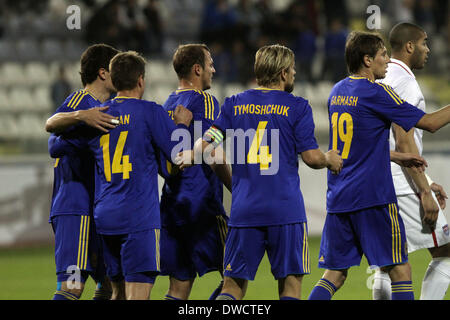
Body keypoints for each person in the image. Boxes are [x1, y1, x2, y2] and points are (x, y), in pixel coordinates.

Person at [193, 44, 343, 300]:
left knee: (232, 289)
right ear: (284, 73)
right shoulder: (297, 107)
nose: (295, 73)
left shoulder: (234, 105)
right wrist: (328, 159)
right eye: (293, 68)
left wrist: (233, 180)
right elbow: (311, 158)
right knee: (290, 288)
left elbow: (204, 147)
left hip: (244, 211)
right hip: (285, 211)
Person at [308, 31, 450, 300]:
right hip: (373, 197)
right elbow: (429, 124)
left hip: (339, 197)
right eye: (383, 55)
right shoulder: (377, 92)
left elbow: (356, 147)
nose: (387, 60)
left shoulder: (337, 92)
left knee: (335, 275)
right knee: (400, 269)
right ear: (367, 60)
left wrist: (398, 157)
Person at [49, 51, 193, 300]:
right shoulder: (146, 111)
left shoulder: (100, 115)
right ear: (141, 80)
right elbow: (180, 157)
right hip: (129, 217)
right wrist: (182, 126)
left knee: (112, 290)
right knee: (77, 287)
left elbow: (56, 146)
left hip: (105, 217)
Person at [372, 22, 449, 300]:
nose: (428, 50)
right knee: (446, 254)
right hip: (402, 182)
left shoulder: (383, 75)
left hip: (379, 179)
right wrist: (424, 191)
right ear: (409, 46)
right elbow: (403, 140)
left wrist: (427, 182)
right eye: (424, 44)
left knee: (388, 261)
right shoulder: (403, 80)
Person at [45, 43, 120, 300]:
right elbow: (53, 143)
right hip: (76, 208)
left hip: (98, 209)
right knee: (72, 287)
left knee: (110, 285)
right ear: (102, 73)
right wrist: (80, 117)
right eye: (115, 68)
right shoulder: (80, 101)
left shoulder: (110, 107)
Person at [158, 44, 229, 300]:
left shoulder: (166, 104)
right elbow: (212, 153)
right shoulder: (205, 101)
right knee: (235, 275)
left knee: (178, 288)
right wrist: (238, 188)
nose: (214, 69)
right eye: (210, 64)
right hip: (202, 203)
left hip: (172, 204)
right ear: (197, 69)